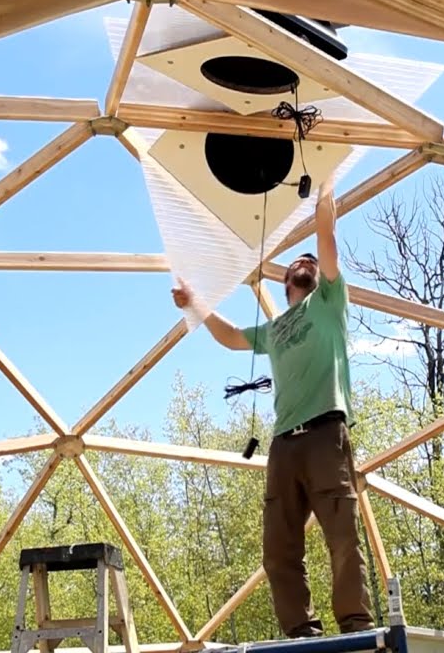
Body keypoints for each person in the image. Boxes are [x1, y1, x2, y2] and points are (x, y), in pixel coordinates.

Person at [170, 180, 374, 638]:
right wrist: (195, 304)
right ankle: (301, 631)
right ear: (285, 282)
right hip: (284, 443)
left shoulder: (329, 303)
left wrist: (325, 193)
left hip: (325, 431)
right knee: (279, 548)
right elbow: (230, 338)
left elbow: (326, 239)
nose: (304, 262)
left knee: (341, 534)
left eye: (310, 263)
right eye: (295, 263)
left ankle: (355, 625)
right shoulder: (276, 326)